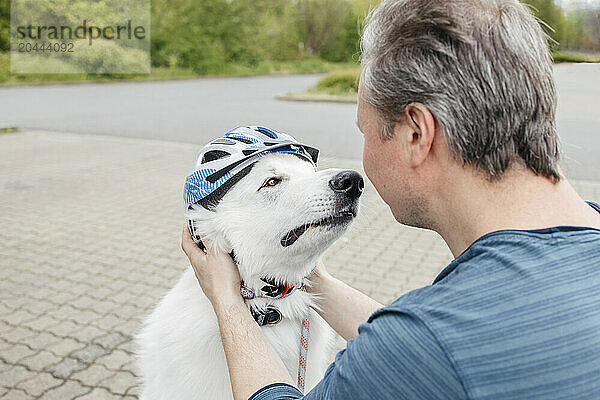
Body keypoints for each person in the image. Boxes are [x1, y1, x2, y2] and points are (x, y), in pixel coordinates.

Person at [180, 0, 600, 399]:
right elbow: (421, 350)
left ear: (416, 134)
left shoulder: (429, 342)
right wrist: (312, 279)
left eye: (364, 129)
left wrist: (227, 301)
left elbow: (421, 349)